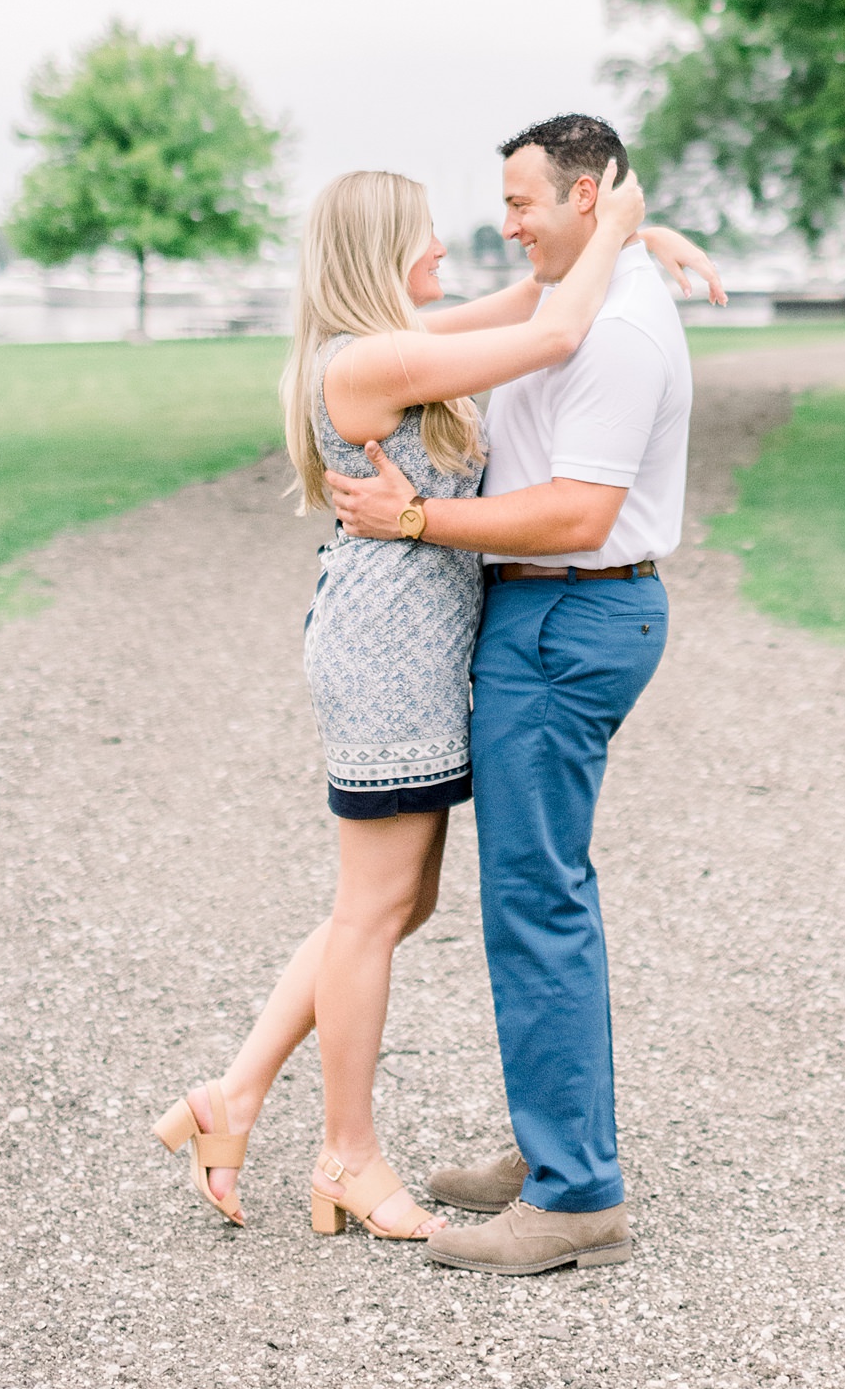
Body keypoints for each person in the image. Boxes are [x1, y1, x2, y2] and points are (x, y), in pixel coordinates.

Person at [152, 161, 720, 1242]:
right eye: (427, 236)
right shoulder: (375, 358)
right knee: (375, 909)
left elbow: (542, 294)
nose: (451, 249)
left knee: (394, 906)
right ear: (382, 250)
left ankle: (233, 1095)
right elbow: (552, 336)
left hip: (406, 640)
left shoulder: (398, 338)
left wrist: (637, 240)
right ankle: (346, 1157)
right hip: (387, 648)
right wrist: (625, 225)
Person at [326, 113, 700, 1275]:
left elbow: (581, 516)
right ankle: (556, 1154)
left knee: (538, 901)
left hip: (566, 610)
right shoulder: (571, 302)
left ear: (587, 197)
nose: (506, 224)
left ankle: (577, 1193)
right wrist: (635, 232)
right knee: (530, 897)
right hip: (540, 613)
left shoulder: (616, 330)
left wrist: (419, 519)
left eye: (525, 203)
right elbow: (534, 318)